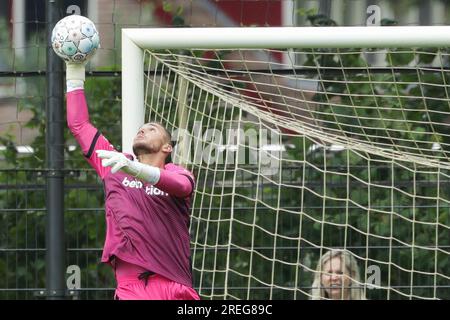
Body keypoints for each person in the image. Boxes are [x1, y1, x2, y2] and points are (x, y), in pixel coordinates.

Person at [64, 61, 200, 300]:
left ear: (167, 147)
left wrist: (134, 168)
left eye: (152, 129)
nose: (143, 130)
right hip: (131, 289)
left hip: (174, 286)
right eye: (142, 128)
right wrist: (74, 71)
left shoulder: (177, 172)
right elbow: (79, 125)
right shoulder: (115, 164)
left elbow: (183, 187)